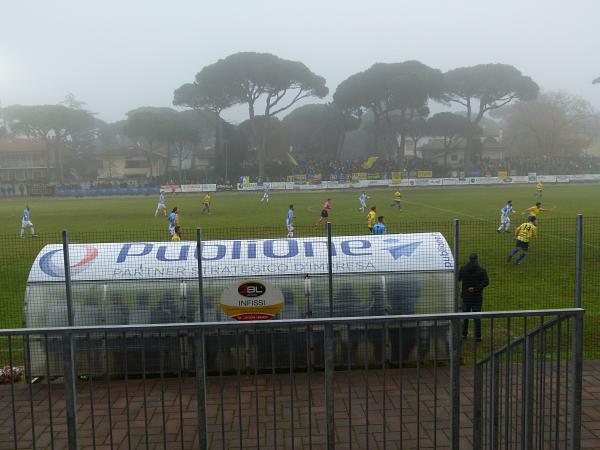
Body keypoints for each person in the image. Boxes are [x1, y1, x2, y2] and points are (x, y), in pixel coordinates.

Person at [459, 253, 489, 341]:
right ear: (477, 259)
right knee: (477, 317)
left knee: (465, 317)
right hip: (477, 297)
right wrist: (476, 288)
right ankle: (478, 336)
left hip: (466, 296)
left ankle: (464, 334)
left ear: (469, 259)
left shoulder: (463, 268)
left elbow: (458, 279)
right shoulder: (482, 270)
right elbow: (486, 282)